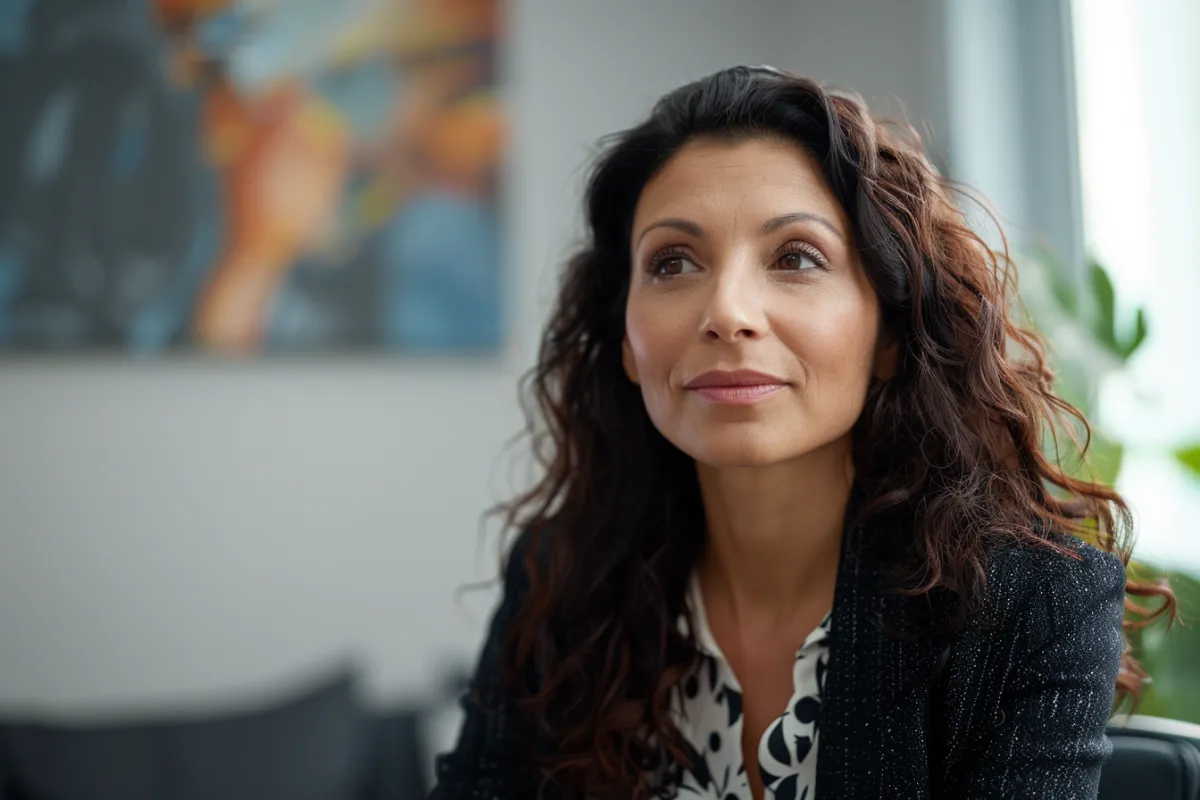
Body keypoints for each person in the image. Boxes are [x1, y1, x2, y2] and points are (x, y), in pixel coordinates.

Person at [429, 66, 1174, 799]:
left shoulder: (1030, 604)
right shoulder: (562, 577)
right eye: (673, 262)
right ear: (625, 341)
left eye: (795, 258)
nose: (727, 311)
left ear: (889, 328)